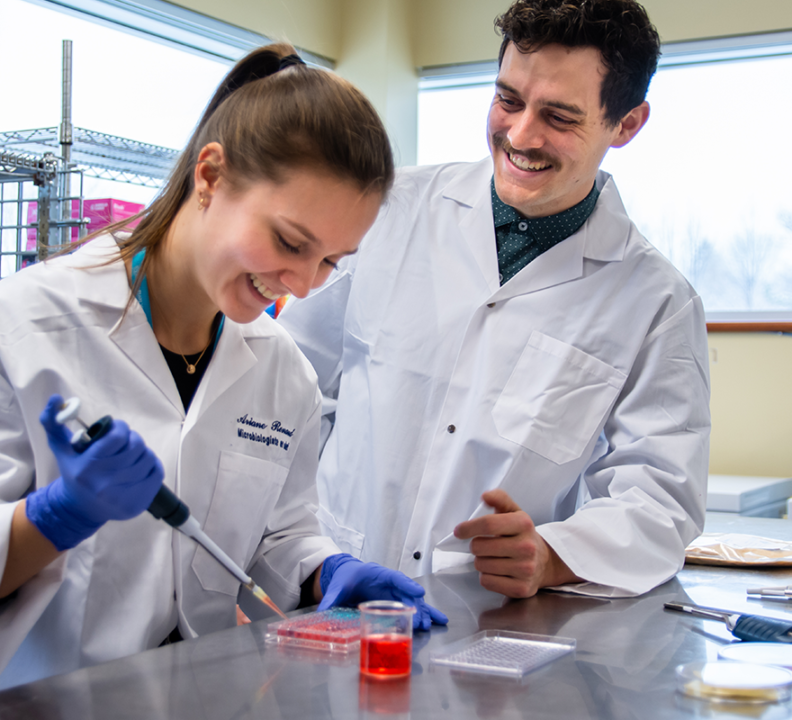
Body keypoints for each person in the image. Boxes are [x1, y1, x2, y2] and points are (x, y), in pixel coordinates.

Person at [0, 43, 444, 718]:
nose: (304, 284)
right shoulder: (15, 331)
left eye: (331, 261)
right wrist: (57, 516)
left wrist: (325, 571)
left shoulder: (281, 369)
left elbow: (275, 536)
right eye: (289, 242)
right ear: (211, 175)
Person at [278, 0, 710, 600]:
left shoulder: (656, 302)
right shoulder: (388, 209)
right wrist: (286, 545)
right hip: (327, 583)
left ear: (627, 124)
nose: (521, 134)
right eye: (508, 100)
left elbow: (660, 498)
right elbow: (287, 381)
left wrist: (554, 556)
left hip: (485, 616)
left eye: (559, 117)